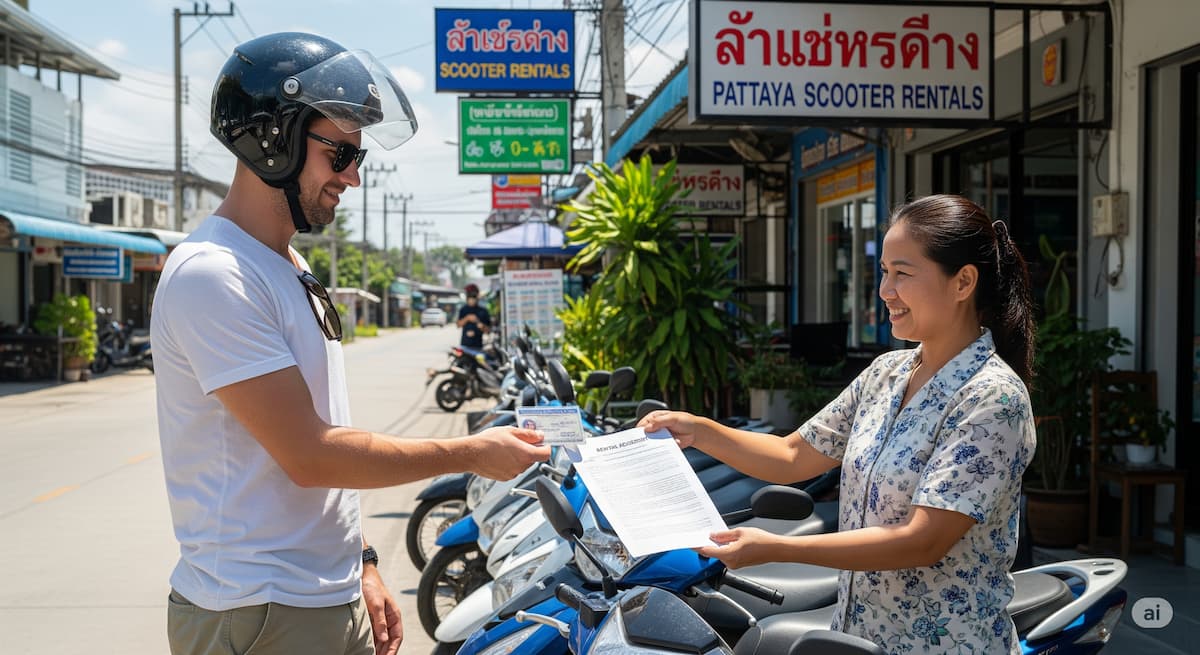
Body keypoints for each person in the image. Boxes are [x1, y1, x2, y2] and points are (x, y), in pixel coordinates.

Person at [151, 33, 550, 655]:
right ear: (273, 138)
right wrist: (471, 453)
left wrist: (360, 559)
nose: (353, 178)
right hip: (260, 610)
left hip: (317, 595)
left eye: (357, 159)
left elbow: (330, 438)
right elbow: (312, 455)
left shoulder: (287, 266)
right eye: (340, 155)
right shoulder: (215, 272)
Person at [641, 195, 1037, 654]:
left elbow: (923, 540)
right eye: (884, 272)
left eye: (902, 274)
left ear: (963, 281)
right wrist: (697, 430)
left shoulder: (993, 398)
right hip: (857, 637)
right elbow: (793, 455)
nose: (885, 290)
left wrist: (777, 548)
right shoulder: (887, 373)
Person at [456, 283, 491, 349]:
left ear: (477, 296)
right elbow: (458, 325)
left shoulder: (483, 311)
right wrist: (467, 318)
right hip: (465, 345)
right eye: (469, 296)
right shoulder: (463, 310)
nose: (471, 299)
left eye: (473, 296)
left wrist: (482, 326)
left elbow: (488, 331)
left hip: (478, 346)